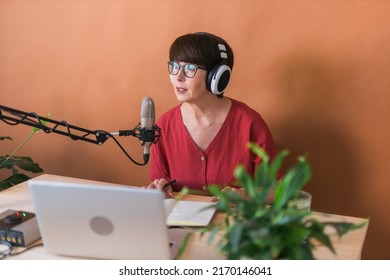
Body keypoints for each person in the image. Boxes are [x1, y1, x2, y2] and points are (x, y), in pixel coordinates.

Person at [147, 32, 277, 198]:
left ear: (217, 76)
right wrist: (159, 189)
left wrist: (244, 196)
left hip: (233, 222)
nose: (178, 77)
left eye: (190, 68)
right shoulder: (164, 125)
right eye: (174, 66)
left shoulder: (249, 123)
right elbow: (159, 181)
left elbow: (276, 191)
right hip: (179, 223)